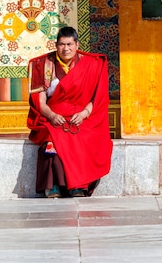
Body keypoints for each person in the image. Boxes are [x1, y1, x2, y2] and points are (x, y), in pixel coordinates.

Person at [26, 26, 112, 198]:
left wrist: (84, 114)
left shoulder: (92, 64)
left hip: (80, 116)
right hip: (53, 116)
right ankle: (53, 186)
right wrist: (51, 115)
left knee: (84, 136)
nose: (66, 49)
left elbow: (98, 97)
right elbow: (40, 102)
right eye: (62, 44)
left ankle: (77, 186)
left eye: (70, 44)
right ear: (56, 45)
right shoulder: (42, 65)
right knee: (52, 140)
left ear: (76, 44)